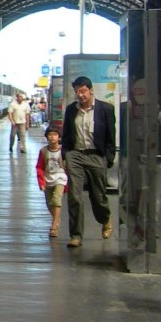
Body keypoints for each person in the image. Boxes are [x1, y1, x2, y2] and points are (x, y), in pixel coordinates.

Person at [61, 76, 116, 248]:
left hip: (95, 155)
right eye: (77, 91)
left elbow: (110, 136)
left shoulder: (105, 109)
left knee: (98, 196)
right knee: (75, 196)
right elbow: (67, 133)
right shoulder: (71, 110)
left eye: (83, 91)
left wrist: (108, 157)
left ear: (91, 91)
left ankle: (105, 219)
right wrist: (65, 155)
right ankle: (76, 235)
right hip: (75, 154)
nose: (80, 94)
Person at [36, 127, 68, 238]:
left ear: (59, 137)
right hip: (48, 179)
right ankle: (56, 218)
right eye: (50, 134)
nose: (52, 137)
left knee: (56, 201)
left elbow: (68, 167)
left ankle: (54, 226)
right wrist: (41, 182)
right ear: (46, 137)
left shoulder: (63, 151)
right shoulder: (43, 151)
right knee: (49, 203)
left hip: (61, 179)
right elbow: (39, 167)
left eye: (55, 134)